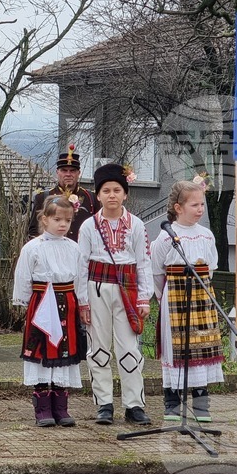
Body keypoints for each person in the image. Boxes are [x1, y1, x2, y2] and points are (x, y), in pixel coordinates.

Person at [77, 162, 152, 426]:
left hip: (127, 289)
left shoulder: (137, 225)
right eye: (106, 190)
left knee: (129, 347)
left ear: (125, 194)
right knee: (98, 347)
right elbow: (81, 264)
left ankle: (134, 405)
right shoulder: (88, 226)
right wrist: (82, 301)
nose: (111, 195)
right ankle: (104, 404)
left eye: (117, 190)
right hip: (96, 287)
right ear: (97, 195)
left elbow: (143, 262)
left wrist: (144, 297)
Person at [12, 196, 90, 427]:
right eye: (57, 219)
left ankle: (61, 407)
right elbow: (23, 277)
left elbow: (81, 280)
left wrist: (83, 304)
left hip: (67, 302)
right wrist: (27, 305)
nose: (62, 224)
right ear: (44, 219)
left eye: (67, 220)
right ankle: (42, 409)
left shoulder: (74, 248)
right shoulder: (33, 248)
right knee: (42, 350)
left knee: (64, 350)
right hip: (42, 304)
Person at [151, 180, 224, 422]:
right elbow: (157, 273)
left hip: (201, 295)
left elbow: (211, 268)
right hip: (175, 295)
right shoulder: (165, 237)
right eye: (195, 205)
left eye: (202, 204)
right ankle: (172, 401)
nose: (200, 209)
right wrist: (164, 297)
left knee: (200, 345)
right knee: (177, 348)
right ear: (178, 207)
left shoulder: (206, 235)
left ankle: (201, 401)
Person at [27, 144, 97, 241]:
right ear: (57, 172)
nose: (68, 174)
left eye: (72, 171)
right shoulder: (43, 197)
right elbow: (34, 232)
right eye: (64, 170)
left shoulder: (91, 197)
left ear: (79, 173)